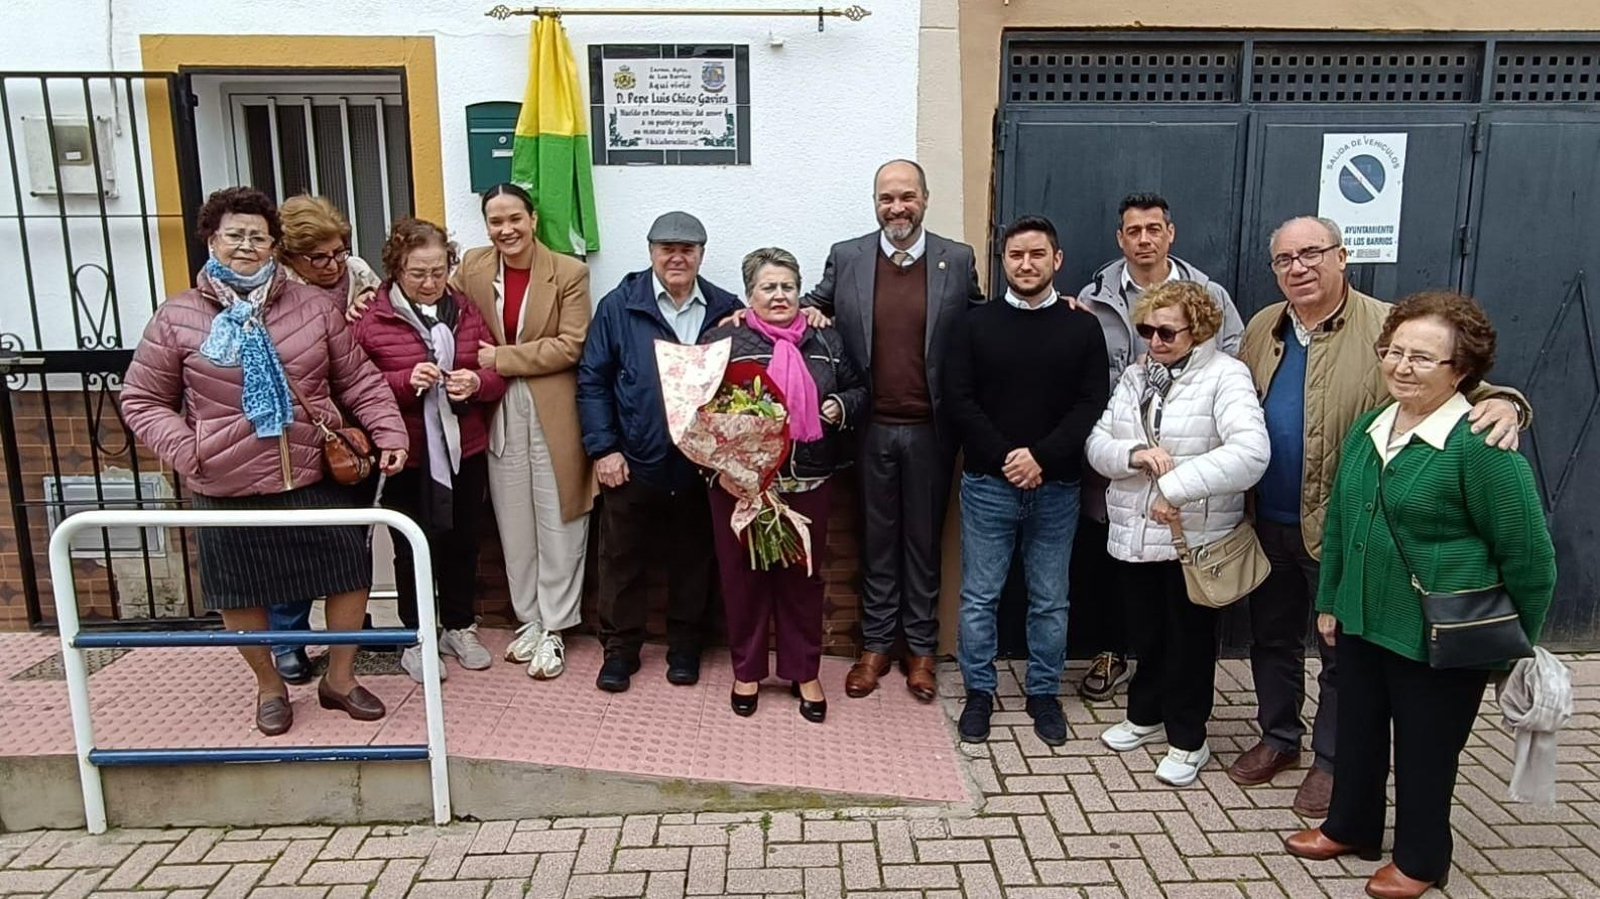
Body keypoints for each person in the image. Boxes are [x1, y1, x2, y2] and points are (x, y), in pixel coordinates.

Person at [1232, 215, 1529, 818]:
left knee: (1341, 651)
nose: (1299, 268)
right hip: (1269, 518)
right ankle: (1278, 737)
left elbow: (1459, 386)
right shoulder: (1265, 326)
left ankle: (1332, 762)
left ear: (1342, 256)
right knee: (1272, 638)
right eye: (1285, 260)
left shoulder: (1388, 325)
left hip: (1345, 526)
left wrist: (1507, 402)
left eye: (1312, 253)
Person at [1284, 291, 1555, 899]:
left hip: (1441, 634)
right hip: (1361, 620)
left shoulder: (1482, 446)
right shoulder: (1372, 426)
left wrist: (1512, 644)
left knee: (1426, 755)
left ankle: (1421, 859)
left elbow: (1532, 560)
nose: (1402, 366)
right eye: (1394, 351)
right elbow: (1343, 524)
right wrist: (1330, 601)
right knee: (1356, 732)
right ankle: (1350, 826)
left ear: (1461, 370)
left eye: (1423, 358)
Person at [120, 186, 408, 736]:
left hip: (310, 467)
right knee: (239, 589)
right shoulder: (178, 317)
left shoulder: (313, 307)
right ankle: (270, 685)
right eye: (235, 235)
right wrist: (189, 450)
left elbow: (358, 378)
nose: (247, 246)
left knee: (349, 574)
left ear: (275, 245)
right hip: (224, 479)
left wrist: (387, 429)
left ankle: (340, 680)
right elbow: (142, 399)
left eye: (259, 236)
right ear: (212, 240)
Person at [802, 159, 985, 703]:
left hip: (932, 430)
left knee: (923, 543)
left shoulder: (957, 258)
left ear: (925, 199)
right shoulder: (848, 256)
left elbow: (983, 323)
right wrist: (759, 318)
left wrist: (1050, 311)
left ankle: (921, 652)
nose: (897, 207)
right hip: (869, 428)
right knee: (876, 541)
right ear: (875, 202)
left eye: (907, 196)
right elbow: (812, 307)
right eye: (887, 198)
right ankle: (876, 646)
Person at [1085, 280, 1269, 786]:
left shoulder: (1226, 377)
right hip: (1133, 529)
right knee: (1145, 632)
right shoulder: (1137, 375)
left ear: (1200, 329)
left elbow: (1251, 453)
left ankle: (1189, 738)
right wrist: (1132, 456)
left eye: (1167, 332)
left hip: (1193, 535)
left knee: (1188, 640)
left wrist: (1177, 485)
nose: (1155, 341)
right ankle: (1145, 715)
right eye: (1147, 329)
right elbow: (1098, 441)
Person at [1073, 192, 1245, 703]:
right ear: (1120, 238)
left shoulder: (1207, 293)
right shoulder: (1096, 294)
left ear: (1170, 232)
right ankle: (1114, 654)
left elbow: (1233, 355)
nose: (1144, 239)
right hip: (1119, 456)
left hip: (1188, 471)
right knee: (1113, 563)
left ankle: (1181, 708)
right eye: (1133, 230)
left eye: (1153, 228)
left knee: (1181, 598)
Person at [944, 216, 1108, 746]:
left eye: (1038, 254)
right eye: (1016, 255)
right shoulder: (973, 325)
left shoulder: (1082, 327)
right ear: (1003, 261)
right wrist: (1006, 457)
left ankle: (1043, 694)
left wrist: (1040, 457)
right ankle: (979, 693)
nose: (1026, 264)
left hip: (1057, 487)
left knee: (1050, 599)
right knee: (979, 597)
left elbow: (1091, 403)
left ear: (1056, 260)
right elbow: (959, 399)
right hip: (988, 485)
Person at [699, 248, 868, 722]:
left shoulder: (826, 339)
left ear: (800, 290)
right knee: (743, 578)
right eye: (768, 287)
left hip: (809, 477)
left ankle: (803, 670)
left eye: (787, 287)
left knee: (802, 580)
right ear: (749, 294)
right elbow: (698, 404)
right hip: (741, 484)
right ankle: (747, 669)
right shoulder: (726, 337)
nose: (779, 295)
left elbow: (859, 390)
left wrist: (836, 404)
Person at [577, 211, 743, 693]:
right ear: (650, 252)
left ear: (701, 255)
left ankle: (686, 648)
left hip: (699, 465)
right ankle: (620, 652)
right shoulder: (619, 306)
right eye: (667, 248)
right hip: (633, 459)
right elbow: (592, 380)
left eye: (687, 249)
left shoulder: (724, 308)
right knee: (621, 560)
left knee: (694, 560)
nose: (677, 257)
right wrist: (604, 449)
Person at [351, 219, 507, 683]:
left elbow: (494, 366)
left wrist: (476, 383)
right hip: (409, 453)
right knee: (411, 546)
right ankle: (416, 636)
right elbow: (355, 385)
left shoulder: (464, 310)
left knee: (462, 542)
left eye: (438, 271)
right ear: (396, 269)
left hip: (465, 448)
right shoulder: (371, 318)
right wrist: (404, 381)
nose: (429, 282)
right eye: (418, 273)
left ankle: (458, 626)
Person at [451, 183, 593, 680]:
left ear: (533, 218)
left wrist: (502, 358)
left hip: (553, 408)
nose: (506, 230)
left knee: (560, 518)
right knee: (514, 521)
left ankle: (556, 626)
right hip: (496, 407)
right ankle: (528, 619)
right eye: (495, 221)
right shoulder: (471, 266)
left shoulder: (569, 273)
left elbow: (571, 345)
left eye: (515, 218)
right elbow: (429, 300)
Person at [265, 194, 385, 684]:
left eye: (339, 251)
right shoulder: (273, 294)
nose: (334, 264)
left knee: (351, 534)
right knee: (293, 540)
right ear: (288, 256)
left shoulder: (358, 274)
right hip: (296, 429)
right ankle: (287, 640)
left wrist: (371, 315)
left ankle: (348, 625)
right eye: (319, 257)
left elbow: (385, 335)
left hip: (353, 424)